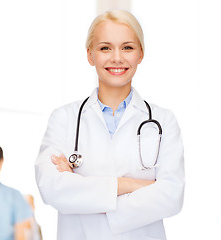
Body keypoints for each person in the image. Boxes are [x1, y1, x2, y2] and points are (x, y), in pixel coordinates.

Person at [35, 9, 185, 240]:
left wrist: (82, 191)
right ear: (90, 55)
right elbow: (52, 189)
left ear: (140, 54)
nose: (117, 57)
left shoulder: (163, 121)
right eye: (105, 48)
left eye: (127, 47)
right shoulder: (64, 118)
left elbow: (172, 196)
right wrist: (132, 185)